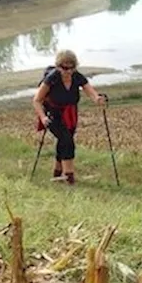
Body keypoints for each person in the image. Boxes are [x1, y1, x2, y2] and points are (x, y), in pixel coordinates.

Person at [32, 50, 107, 185]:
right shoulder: (52, 78)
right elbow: (37, 100)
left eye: (71, 67)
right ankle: (69, 177)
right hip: (53, 115)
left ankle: (57, 171)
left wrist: (97, 99)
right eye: (64, 68)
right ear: (58, 66)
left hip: (71, 114)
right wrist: (43, 118)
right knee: (67, 141)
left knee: (64, 141)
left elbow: (90, 91)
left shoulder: (77, 77)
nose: (68, 71)